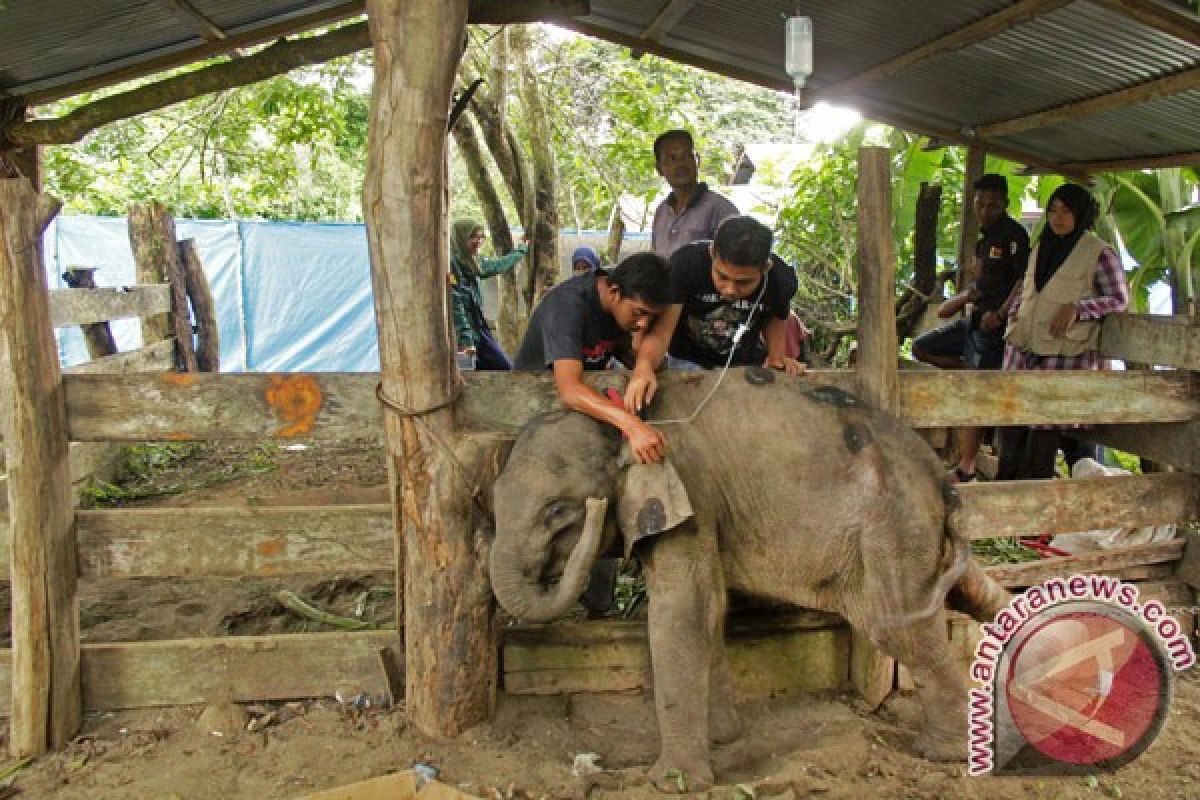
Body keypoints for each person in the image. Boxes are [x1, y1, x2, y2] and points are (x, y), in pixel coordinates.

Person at [996, 183, 1128, 481]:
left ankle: (1040, 515)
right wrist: (1014, 316)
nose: (1058, 218)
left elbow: (1119, 299)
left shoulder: (1098, 252)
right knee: (1012, 429)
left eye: (1066, 211)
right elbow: (1027, 291)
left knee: (1047, 433)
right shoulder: (1041, 247)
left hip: (1066, 354)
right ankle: (1009, 511)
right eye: (1053, 210)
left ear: (1081, 214)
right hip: (1023, 349)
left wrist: (1078, 308)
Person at [912, 174, 1029, 482]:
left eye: (992, 205)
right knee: (921, 348)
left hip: (994, 326)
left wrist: (1002, 313)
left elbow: (1023, 281)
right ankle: (967, 366)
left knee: (976, 396)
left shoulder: (1014, 235)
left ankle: (966, 467)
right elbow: (980, 282)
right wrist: (962, 298)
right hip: (973, 319)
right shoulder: (983, 239)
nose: (985, 210)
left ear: (1004, 204)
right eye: (980, 204)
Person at [625, 215, 803, 412]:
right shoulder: (686, 265)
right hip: (688, 361)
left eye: (743, 282)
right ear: (712, 254)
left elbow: (776, 315)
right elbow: (662, 331)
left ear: (766, 268)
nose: (730, 290)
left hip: (743, 365)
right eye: (722, 276)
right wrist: (644, 367)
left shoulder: (779, 279)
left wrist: (777, 357)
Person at [513, 251, 672, 465]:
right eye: (639, 313)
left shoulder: (623, 308)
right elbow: (569, 391)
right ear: (614, 292)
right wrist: (633, 426)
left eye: (651, 317)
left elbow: (655, 364)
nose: (643, 323)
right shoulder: (567, 306)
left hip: (585, 407)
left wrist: (644, 360)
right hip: (537, 406)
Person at [450, 220, 527, 371]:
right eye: (473, 237)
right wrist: (466, 340)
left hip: (478, 330)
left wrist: (521, 250)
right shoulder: (453, 264)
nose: (478, 241)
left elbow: (496, 266)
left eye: (481, 237)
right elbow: (456, 305)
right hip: (465, 335)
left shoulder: (473, 262)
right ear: (460, 238)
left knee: (502, 371)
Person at [651, 129, 739, 258]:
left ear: (697, 160)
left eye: (687, 156)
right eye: (672, 158)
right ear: (659, 169)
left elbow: (735, 263)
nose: (681, 164)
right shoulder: (661, 212)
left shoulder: (721, 209)